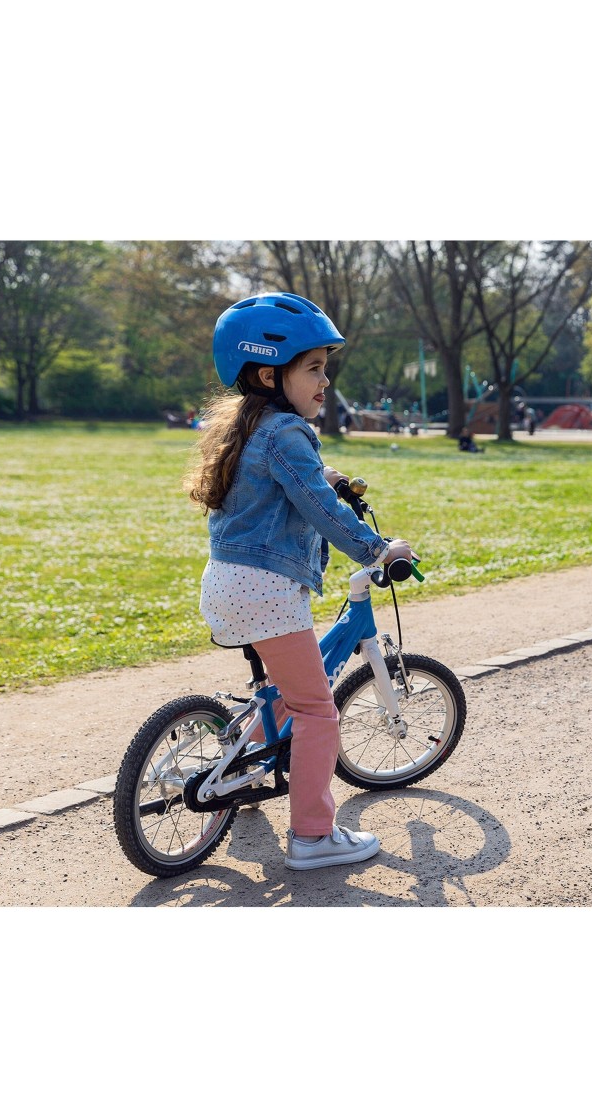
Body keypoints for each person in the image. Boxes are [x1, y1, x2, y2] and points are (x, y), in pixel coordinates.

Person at [184, 292, 415, 871]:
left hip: (226, 584)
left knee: (285, 689)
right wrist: (378, 549)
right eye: (313, 367)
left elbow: (282, 480)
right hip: (266, 590)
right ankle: (313, 836)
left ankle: (251, 757)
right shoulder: (288, 432)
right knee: (317, 710)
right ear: (269, 372)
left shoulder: (247, 425)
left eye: (325, 367)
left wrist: (325, 473)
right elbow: (317, 506)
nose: (325, 380)